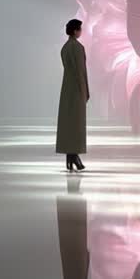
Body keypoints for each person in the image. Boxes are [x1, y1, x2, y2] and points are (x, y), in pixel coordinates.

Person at [56, 18, 89, 171]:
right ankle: (74, 156)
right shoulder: (78, 47)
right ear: (76, 30)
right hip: (77, 89)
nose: (81, 31)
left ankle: (70, 159)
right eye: (80, 29)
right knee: (76, 125)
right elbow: (81, 72)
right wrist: (85, 92)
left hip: (66, 89)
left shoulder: (64, 48)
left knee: (68, 124)